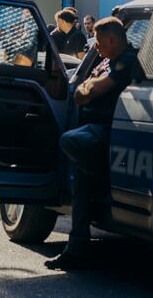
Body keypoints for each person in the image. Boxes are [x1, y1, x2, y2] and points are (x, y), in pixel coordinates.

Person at [45, 17, 141, 270]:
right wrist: (87, 87)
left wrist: (88, 87)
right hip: (94, 129)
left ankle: (100, 174)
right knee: (81, 182)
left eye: (98, 41)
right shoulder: (107, 60)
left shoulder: (127, 60)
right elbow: (81, 90)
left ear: (111, 39)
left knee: (70, 141)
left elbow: (96, 89)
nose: (95, 47)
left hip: (109, 131)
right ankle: (76, 248)